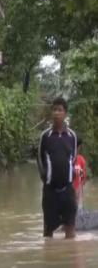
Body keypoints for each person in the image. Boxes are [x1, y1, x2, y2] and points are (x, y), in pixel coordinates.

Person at [37, 97, 77, 239]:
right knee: (48, 234)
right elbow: (40, 160)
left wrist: (70, 178)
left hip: (68, 192)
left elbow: (73, 159)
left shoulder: (72, 136)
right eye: (54, 109)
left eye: (60, 110)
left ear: (65, 114)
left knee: (70, 233)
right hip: (50, 192)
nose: (56, 113)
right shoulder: (45, 136)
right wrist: (46, 180)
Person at [72, 138, 87, 208]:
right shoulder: (81, 159)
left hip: (75, 191)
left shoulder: (81, 160)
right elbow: (83, 177)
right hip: (72, 191)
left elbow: (83, 177)